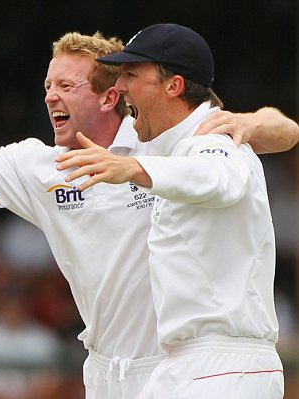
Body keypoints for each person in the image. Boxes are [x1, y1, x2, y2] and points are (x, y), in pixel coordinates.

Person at [0, 32, 298, 399]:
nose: (49, 96)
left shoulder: (164, 141)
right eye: (47, 85)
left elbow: (274, 138)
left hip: (185, 363)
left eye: (66, 85)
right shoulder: (40, 165)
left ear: (112, 98)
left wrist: (252, 122)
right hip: (107, 369)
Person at [57, 23, 286, 398]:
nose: (121, 87)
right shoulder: (178, 149)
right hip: (192, 367)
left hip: (222, 370)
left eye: (131, 75)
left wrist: (133, 169)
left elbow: (219, 178)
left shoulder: (213, 140)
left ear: (174, 85)